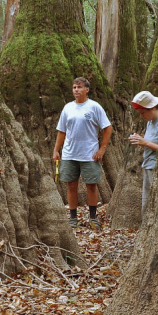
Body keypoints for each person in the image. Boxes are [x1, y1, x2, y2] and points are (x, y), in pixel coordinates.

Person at [52, 77, 112, 229]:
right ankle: (73, 218)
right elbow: (62, 131)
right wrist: (56, 150)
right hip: (69, 153)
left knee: (91, 185)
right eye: (74, 87)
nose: (76, 90)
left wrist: (102, 148)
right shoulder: (68, 108)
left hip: (89, 154)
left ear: (87, 90)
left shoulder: (94, 107)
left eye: (79, 87)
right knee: (71, 186)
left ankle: (93, 217)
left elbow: (107, 128)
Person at [129, 90, 158, 213]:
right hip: (147, 165)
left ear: (151, 108)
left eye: (142, 112)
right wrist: (140, 141)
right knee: (146, 203)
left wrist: (145, 142)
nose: (141, 116)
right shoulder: (150, 123)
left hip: (157, 167)